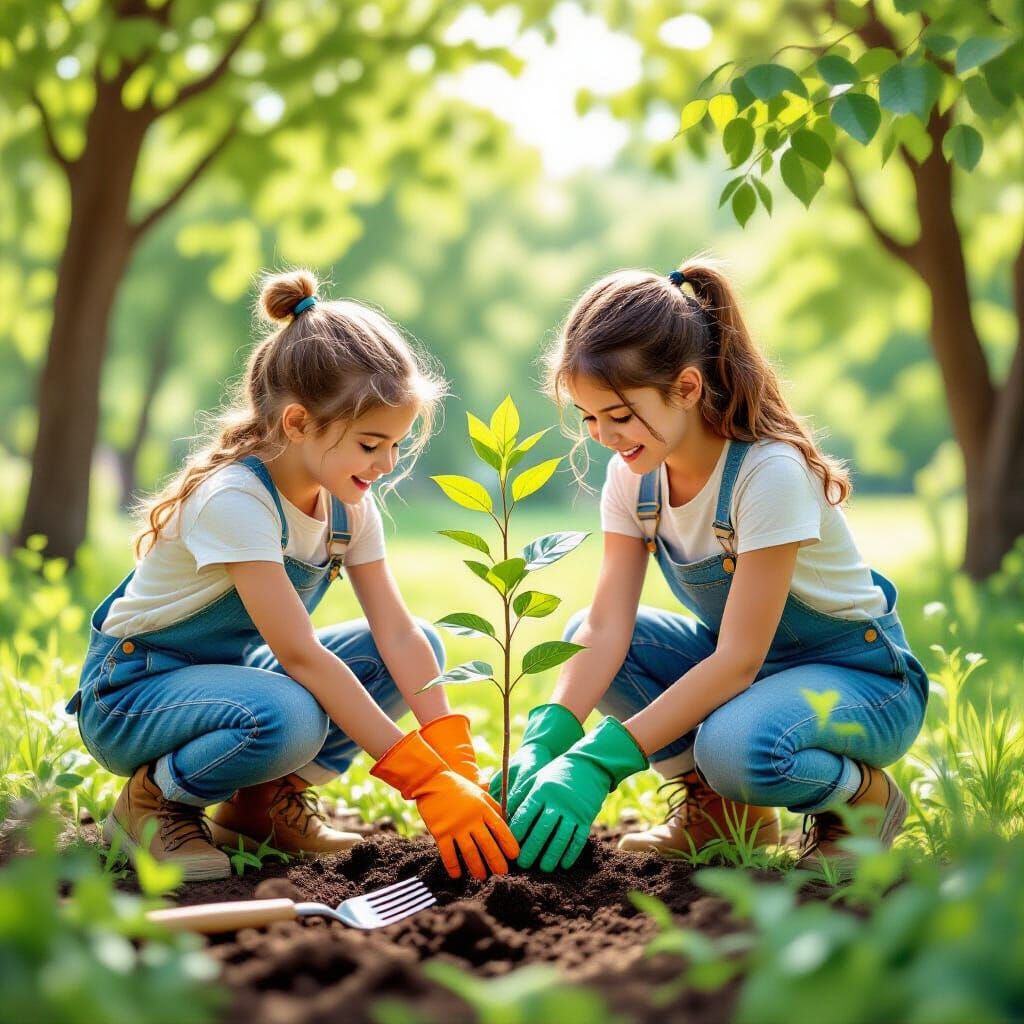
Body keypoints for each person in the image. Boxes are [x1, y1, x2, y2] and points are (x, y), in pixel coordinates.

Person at [66, 269, 518, 882]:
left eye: (396, 445)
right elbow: (300, 655)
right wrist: (422, 780)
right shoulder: (236, 500)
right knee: (291, 715)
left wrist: (453, 760)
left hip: (229, 679)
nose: (386, 464)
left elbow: (398, 635)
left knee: (419, 649)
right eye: (370, 445)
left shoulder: (347, 506)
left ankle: (259, 807)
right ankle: (154, 802)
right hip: (132, 694)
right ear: (299, 423)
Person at [496, 258, 928, 878]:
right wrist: (549, 737)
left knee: (734, 748)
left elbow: (738, 660)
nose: (604, 436)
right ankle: (726, 814)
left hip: (863, 683)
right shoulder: (634, 477)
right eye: (589, 418)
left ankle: (863, 801)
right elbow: (607, 627)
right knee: (591, 641)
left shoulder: (768, 473)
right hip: (753, 679)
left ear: (688, 388)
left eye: (620, 415)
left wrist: (599, 762)